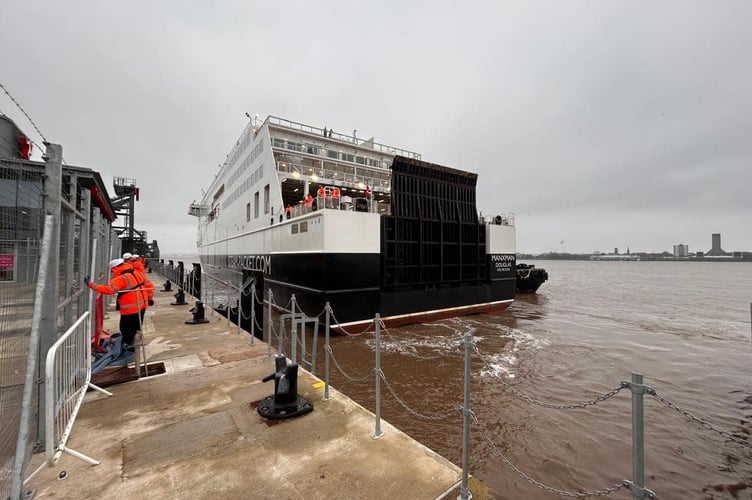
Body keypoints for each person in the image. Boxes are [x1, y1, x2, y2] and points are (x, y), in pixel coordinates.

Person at [85, 258, 152, 349]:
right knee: (137, 327)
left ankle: (131, 348)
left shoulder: (120, 279)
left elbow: (109, 290)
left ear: (114, 269)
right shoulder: (138, 273)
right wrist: (150, 298)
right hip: (142, 305)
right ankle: (137, 344)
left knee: (125, 329)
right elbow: (149, 285)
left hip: (130, 308)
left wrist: (91, 284)